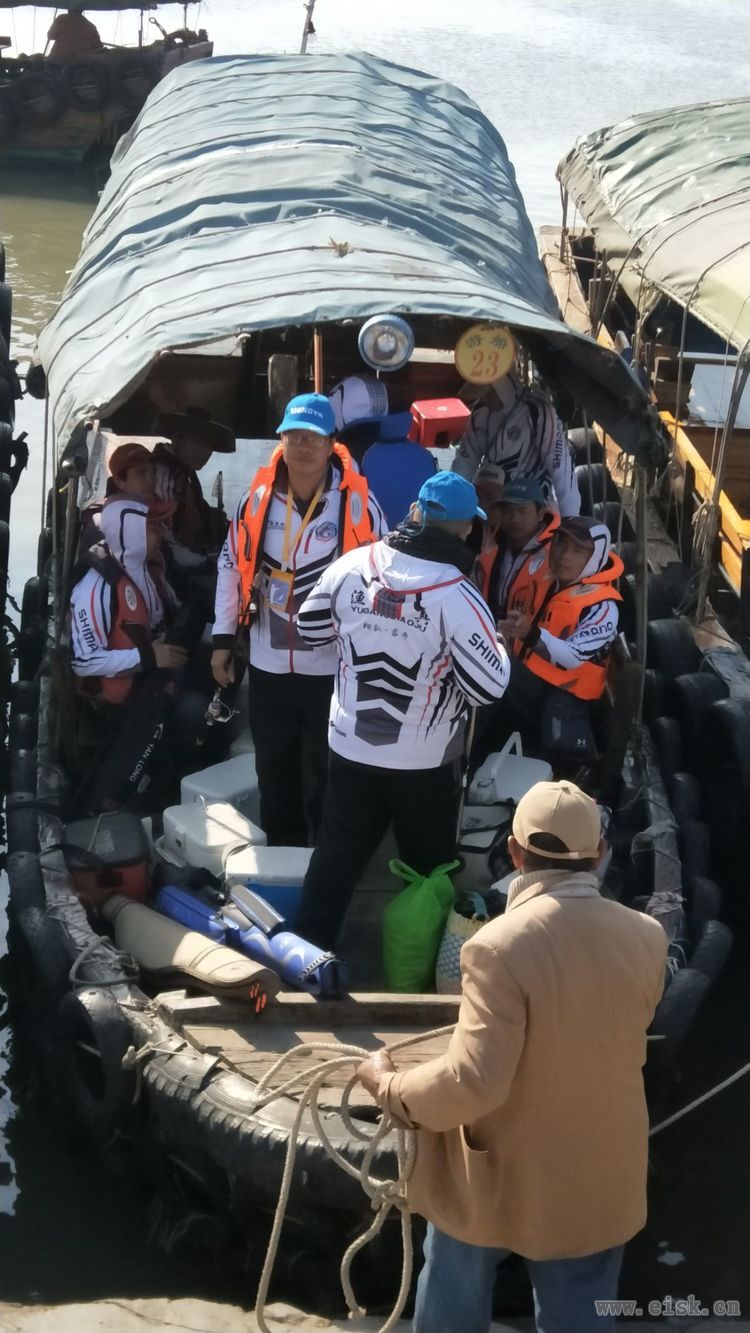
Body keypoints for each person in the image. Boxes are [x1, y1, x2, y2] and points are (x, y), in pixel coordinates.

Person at [356, 779, 668, 1333]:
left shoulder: (496, 945)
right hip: (600, 1171)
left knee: (454, 1276)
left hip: (500, 1172)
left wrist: (391, 1088)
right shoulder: (647, 936)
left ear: (515, 853)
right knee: (582, 1308)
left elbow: (475, 1081)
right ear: (599, 852)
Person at [293, 471, 510, 950]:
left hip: (349, 748)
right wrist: (496, 644)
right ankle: (423, 969)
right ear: (466, 530)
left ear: (414, 512)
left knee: (334, 859)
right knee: (428, 872)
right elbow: (489, 687)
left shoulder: (353, 564)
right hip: (424, 765)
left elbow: (309, 628)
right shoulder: (458, 595)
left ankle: (303, 958)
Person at [210, 392, 387, 846]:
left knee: (329, 766)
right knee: (273, 766)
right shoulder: (254, 502)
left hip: (332, 666)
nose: (303, 445)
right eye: (294, 435)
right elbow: (230, 567)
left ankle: (326, 853)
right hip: (268, 663)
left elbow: (385, 576)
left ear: (331, 444)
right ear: (281, 441)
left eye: (313, 437)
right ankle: (282, 848)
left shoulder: (359, 505)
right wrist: (223, 639)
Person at [70, 496, 186, 809]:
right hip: (114, 707)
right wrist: (148, 658)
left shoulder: (143, 573)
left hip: (148, 687)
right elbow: (83, 662)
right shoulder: (95, 588)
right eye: (151, 527)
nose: (160, 533)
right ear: (129, 531)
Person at [485, 515, 623, 754]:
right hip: (530, 683)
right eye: (561, 544)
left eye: (578, 550)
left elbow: (572, 656)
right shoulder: (548, 581)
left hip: (564, 701)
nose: (564, 555)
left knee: (491, 669)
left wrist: (530, 634)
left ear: (596, 557)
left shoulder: (603, 607)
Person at [452, 368, 580, 517]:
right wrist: (452, 501)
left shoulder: (538, 411)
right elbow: (464, 463)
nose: (484, 398)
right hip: (489, 506)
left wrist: (570, 518)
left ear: (503, 386)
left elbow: (561, 469)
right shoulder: (480, 411)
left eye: (488, 392)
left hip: (531, 509)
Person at [153, 410, 235, 566]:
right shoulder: (162, 472)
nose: (203, 452)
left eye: (208, 445)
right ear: (176, 440)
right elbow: (161, 533)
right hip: (169, 566)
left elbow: (196, 512)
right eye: (196, 443)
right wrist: (201, 561)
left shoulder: (185, 474)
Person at [476, 476, 559, 620]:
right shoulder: (489, 542)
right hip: (487, 626)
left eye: (522, 511)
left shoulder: (557, 551)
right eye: (508, 511)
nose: (514, 518)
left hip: (534, 631)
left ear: (540, 514)